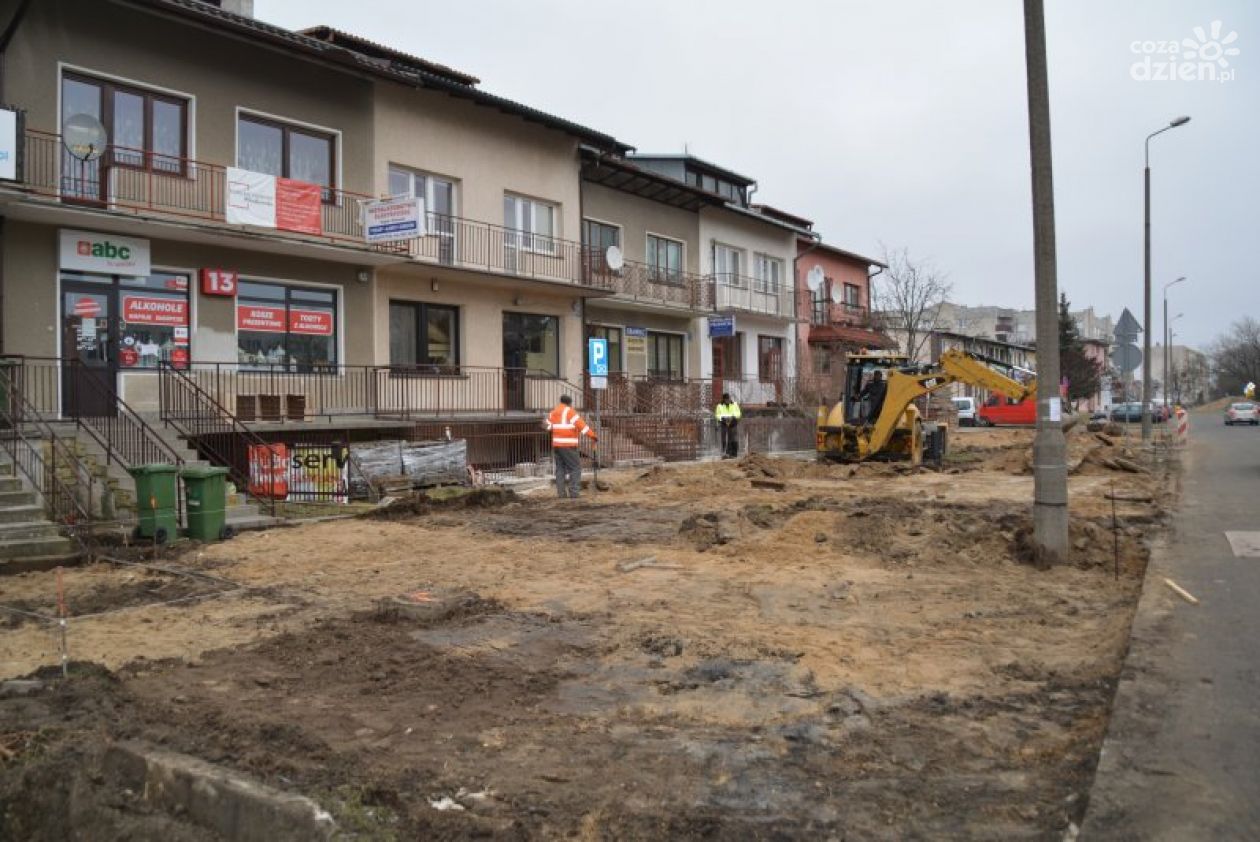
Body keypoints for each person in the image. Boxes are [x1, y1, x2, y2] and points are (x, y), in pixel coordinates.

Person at [544, 395, 596, 498]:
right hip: (568, 445)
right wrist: (593, 436)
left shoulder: (553, 412)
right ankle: (574, 493)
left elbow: (547, 426)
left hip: (557, 445)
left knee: (560, 469)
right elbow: (583, 427)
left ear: (561, 402)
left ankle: (561, 494)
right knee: (575, 468)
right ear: (570, 403)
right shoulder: (571, 412)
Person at [714, 392, 742, 458]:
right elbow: (717, 415)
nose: (728, 400)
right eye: (726, 399)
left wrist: (733, 418)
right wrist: (723, 419)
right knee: (724, 439)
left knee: (733, 438)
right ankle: (726, 453)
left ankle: (734, 454)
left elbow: (738, 413)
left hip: (733, 423)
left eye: (728, 399)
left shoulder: (734, 405)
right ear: (723, 399)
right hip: (724, 423)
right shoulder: (720, 406)